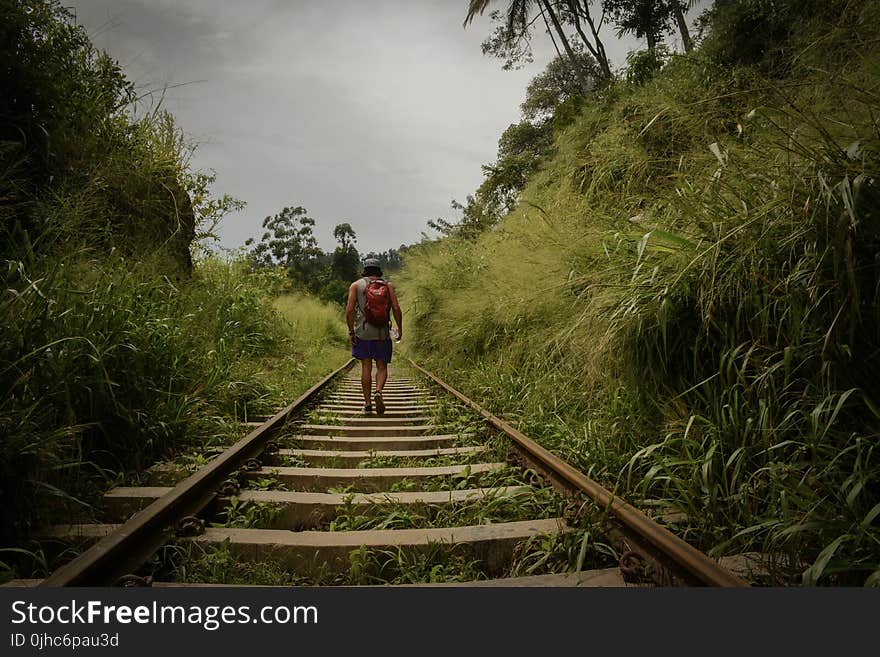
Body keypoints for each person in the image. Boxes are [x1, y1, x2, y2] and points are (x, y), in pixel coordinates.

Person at [346, 258, 403, 414]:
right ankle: (378, 391)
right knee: (382, 366)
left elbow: (350, 310)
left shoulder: (356, 286)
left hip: (363, 332)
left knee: (366, 366)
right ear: (379, 271)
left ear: (365, 270)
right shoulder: (388, 286)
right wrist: (400, 328)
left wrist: (351, 331)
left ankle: (367, 404)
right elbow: (396, 308)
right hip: (382, 332)